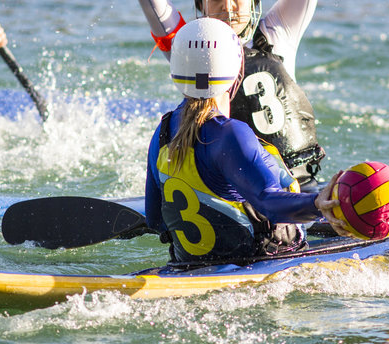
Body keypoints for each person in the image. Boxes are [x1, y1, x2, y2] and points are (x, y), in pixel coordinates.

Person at [145, 18, 349, 263]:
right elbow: (268, 202)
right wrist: (318, 204)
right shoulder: (230, 134)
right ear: (237, 70)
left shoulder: (164, 131)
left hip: (186, 265)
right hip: (258, 263)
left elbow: (155, 219)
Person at [139, 0, 325, 187]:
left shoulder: (278, 31)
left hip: (300, 183)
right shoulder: (187, 47)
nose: (227, 7)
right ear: (201, 5)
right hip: (230, 193)